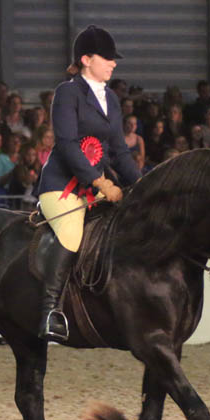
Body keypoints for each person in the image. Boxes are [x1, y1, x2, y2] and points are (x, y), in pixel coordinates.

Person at [35, 25, 141, 342]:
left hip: (95, 189)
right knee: (71, 232)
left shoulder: (111, 98)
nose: (113, 63)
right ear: (86, 59)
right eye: (106, 58)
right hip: (61, 185)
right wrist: (101, 183)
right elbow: (67, 144)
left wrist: (147, 185)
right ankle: (50, 312)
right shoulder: (68, 93)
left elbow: (120, 152)